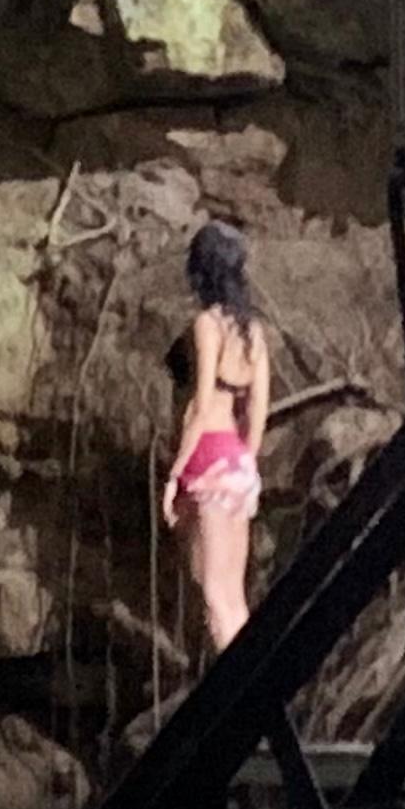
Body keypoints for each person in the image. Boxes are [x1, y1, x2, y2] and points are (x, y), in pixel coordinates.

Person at [160, 220, 274, 656]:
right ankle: (255, 688)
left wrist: (174, 474)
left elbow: (201, 405)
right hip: (239, 463)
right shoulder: (254, 333)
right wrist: (245, 459)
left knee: (212, 597)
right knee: (234, 596)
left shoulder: (207, 325)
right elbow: (258, 410)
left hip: (206, 457)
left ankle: (238, 703)